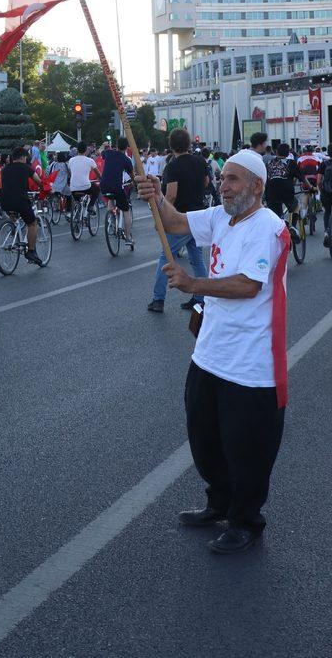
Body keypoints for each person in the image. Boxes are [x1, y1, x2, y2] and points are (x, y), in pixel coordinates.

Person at [137, 149, 289, 554]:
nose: (224, 185)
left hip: (250, 363)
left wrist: (192, 284)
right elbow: (174, 221)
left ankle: (245, 521)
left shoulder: (267, 227)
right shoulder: (220, 215)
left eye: (234, 180)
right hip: (209, 354)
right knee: (204, 438)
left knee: (246, 449)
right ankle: (218, 503)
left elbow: (247, 285)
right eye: (223, 178)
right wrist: (157, 194)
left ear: (257, 187)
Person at [148, 128, 209, 314]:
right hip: (199, 217)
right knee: (197, 259)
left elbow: (171, 195)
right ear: (189, 143)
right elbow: (206, 182)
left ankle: (158, 299)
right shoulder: (200, 161)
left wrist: (162, 214)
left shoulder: (173, 166)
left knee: (165, 257)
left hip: (180, 219)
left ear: (171, 145)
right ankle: (201, 298)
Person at [0, 146, 45, 266]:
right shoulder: (26, 168)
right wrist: (44, 188)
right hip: (20, 200)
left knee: (15, 216)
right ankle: (31, 251)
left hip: (4, 202)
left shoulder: (4, 169)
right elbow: (38, 181)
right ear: (24, 157)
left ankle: (14, 230)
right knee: (32, 223)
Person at [99, 138, 135, 245]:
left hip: (104, 185)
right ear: (127, 147)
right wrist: (133, 182)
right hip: (116, 186)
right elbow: (132, 175)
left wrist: (103, 144)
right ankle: (128, 237)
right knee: (126, 210)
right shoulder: (126, 159)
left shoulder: (108, 153)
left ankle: (111, 219)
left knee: (111, 198)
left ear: (117, 145)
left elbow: (100, 152)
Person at [265, 143, 302, 232]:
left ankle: (281, 224)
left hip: (271, 193)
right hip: (287, 191)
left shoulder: (268, 163)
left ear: (276, 152)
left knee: (276, 214)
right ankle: (293, 226)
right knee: (296, 206)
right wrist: (311, 187)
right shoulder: (291, 162)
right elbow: (302, 178)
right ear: (288, 153)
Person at [67, 141, 99, 210]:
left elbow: (70, 173)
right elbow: (98, 174)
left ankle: (77, 208)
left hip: (73, 188)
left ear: (77, 150)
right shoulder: (90, 160)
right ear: (86, 150)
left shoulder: (71, 160)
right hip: (86, 187)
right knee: (97, 188)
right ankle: (91, 206)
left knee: (77, 199)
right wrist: (101, 179)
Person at [296, 145, 320, 223]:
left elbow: (298, 171)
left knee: (306, 194)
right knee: (317, 189)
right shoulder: (317, 158)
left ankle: (304, 213)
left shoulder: (300, 158)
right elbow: (320, 170)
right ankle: (317, 200)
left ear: (304, 151)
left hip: (305, 179)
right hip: (315, 178)